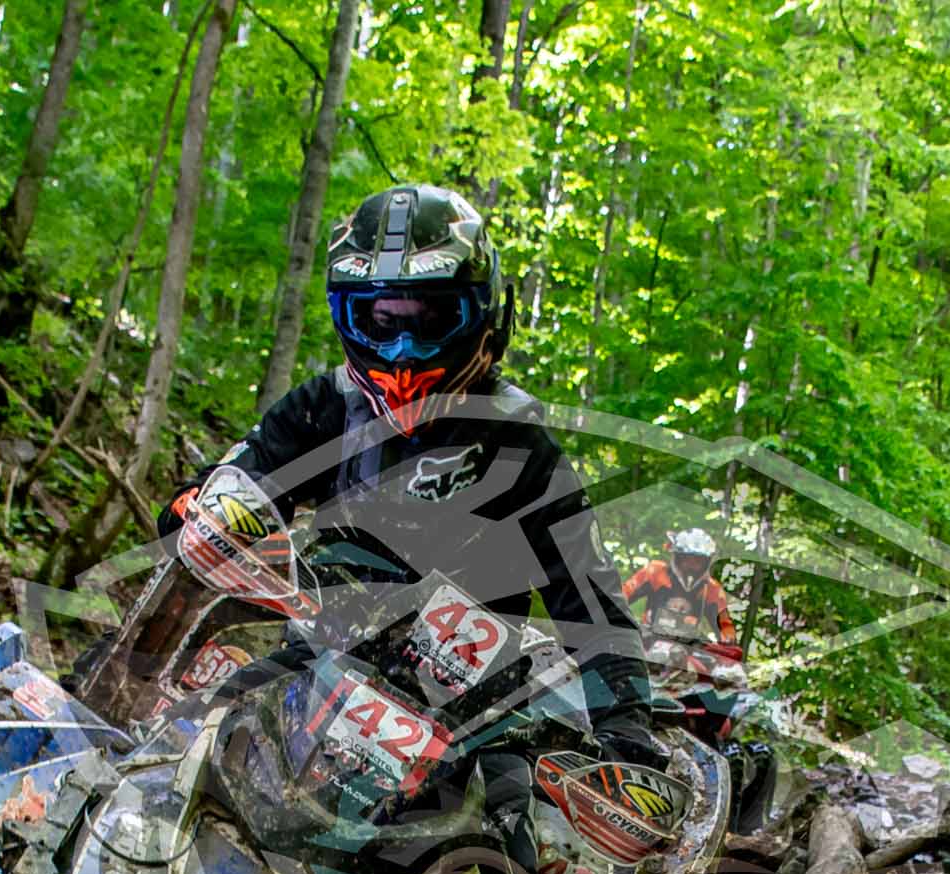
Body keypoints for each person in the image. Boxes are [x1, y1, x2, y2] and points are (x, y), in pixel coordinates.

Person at [159, 184, 667, 771]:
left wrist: (626, 729)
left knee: (511, 811)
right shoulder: (325, 408)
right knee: (187, 748)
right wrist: (199, 514)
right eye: (380, 319)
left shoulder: (518, 444)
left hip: (465, 721)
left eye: (430, 319)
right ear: (347, 316)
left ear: (481, 313)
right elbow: (224, 492)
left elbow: (591, 607)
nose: (402, 349)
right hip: (318, 671)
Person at [621, 527, 738, 646]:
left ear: (707, 562)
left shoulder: (711, 588)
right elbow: (623, 593)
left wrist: (728, 637)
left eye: (698, 561)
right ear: (677, 557)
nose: (691, 565)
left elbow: (723, 621)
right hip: (646, 641)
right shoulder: (655, 572)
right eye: (686, 559)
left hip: (688, 647)